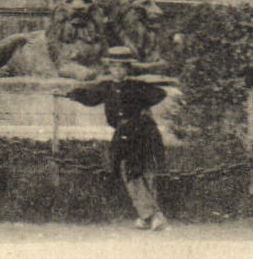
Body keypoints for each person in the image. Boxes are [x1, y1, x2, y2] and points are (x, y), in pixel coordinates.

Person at [59, 46, 171, 230]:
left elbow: (159, 93)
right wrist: (70, 94)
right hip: (123, 133)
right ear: (109, 68)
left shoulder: (136, 85)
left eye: (122, 67)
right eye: (114, 67)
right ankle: (150, 215)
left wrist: (142, 107)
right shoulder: (107, 87)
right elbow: (90, 97)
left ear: (128, 69)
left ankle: (150, 215)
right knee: (129, 171)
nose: (118, 71)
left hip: (142, 132)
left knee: (144, 172)